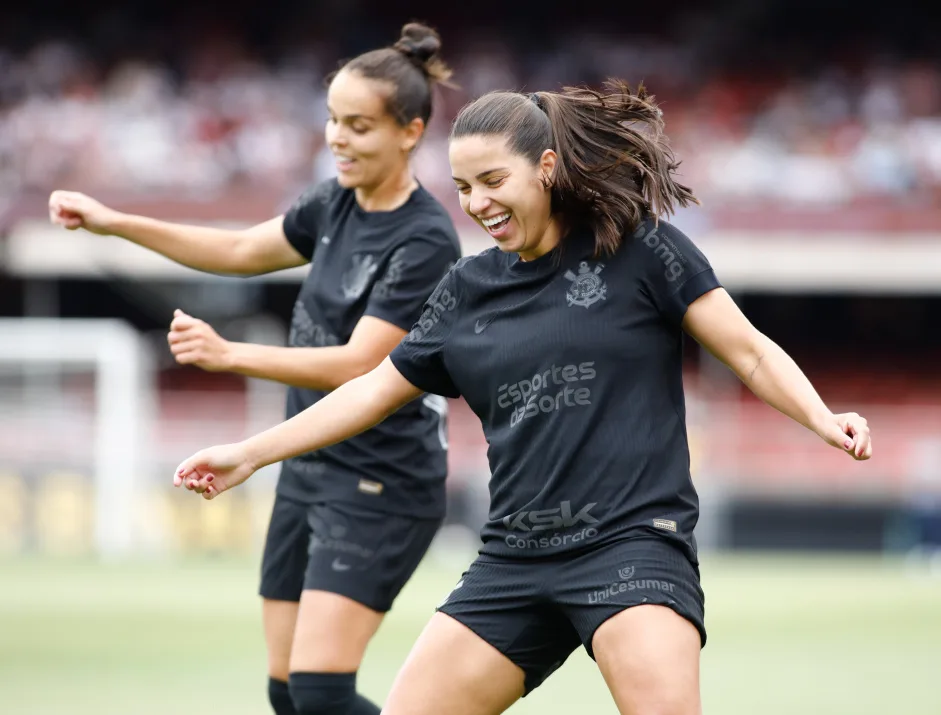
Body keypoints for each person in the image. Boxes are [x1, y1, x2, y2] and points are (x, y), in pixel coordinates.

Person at [171, 80, 873, 715]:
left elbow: (747, 349)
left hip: (629, 547)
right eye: (463, 186)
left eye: (491, 180)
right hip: (512, 559)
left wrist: (821, 417)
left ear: (544, 168)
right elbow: (370, 391)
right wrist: (249, 453)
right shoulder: (465, 288)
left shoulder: (642, 251)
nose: (477, 204)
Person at [48, 23, 460, 715]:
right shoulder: (332, 201)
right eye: (332, 120)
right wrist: (114, 221)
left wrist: (230, 354)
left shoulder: (424, 237)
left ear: (410, 131)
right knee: (286, 692)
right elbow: (240, 249)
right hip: (304, 462)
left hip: (380, 480)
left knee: (321, 693)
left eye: (359, 126)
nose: (337, 138)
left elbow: (363, 363)